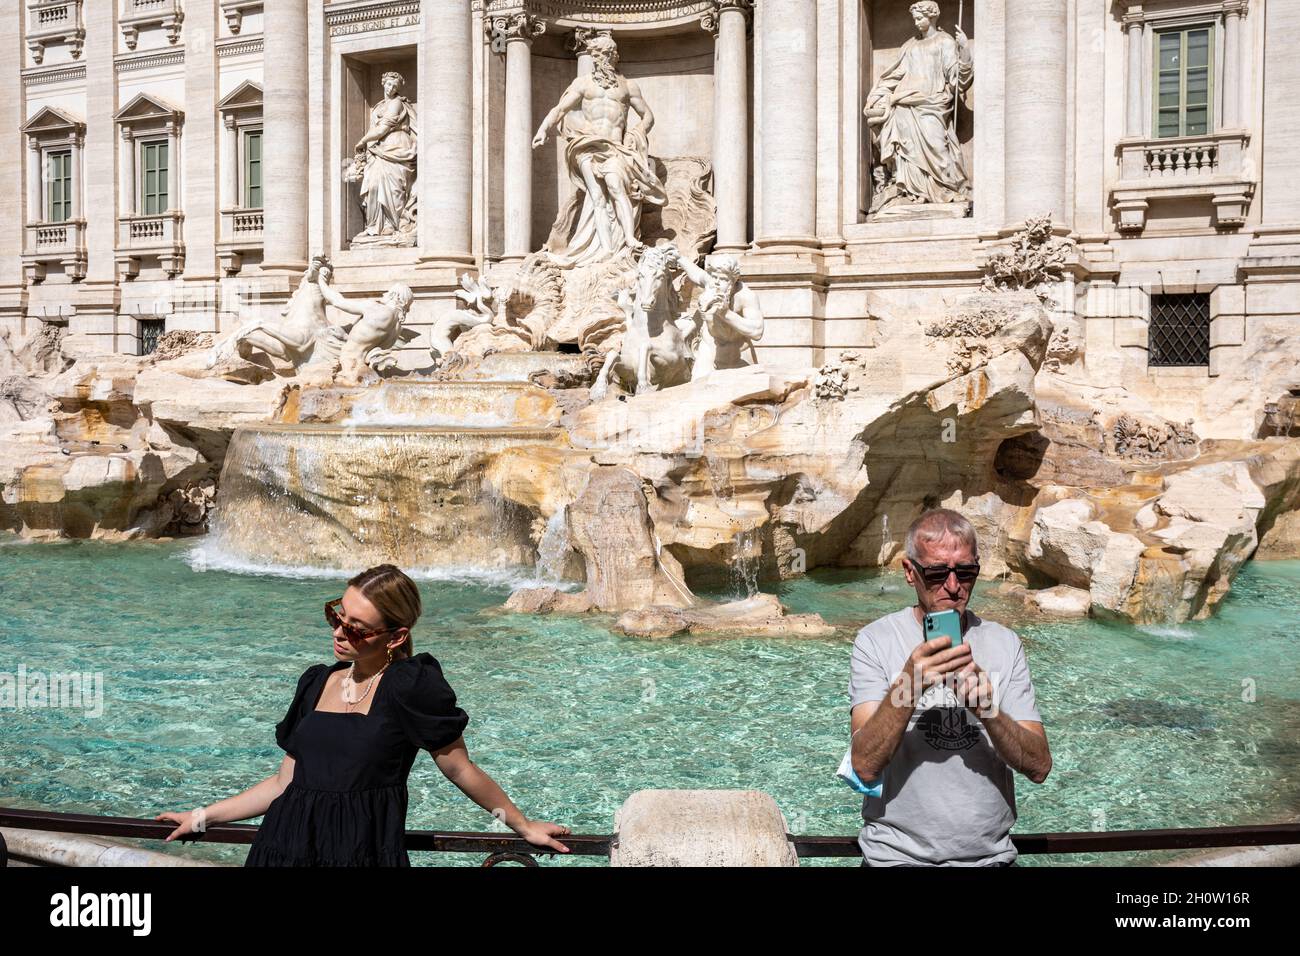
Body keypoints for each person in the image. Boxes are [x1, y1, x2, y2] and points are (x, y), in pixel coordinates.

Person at [157, 564, 570, 865]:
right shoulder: (317, 682)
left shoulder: (409, 687)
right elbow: (285, 783)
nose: (339, 632)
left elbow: (460, 770)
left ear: (397, 636)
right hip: (282, 849)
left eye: (357, 628)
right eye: (338, 617)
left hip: (361, 854)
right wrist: (201, 817)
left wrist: (521, 824)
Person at [848, 509, 1051, 866]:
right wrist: (909, 685)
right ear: (910, 572)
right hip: (896, 860)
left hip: (990, 861)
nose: (953, 586)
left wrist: (988, 710)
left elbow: (1038, 767)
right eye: (937, 573)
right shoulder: (875, 641)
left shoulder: (1005, 643)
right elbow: (864, 765)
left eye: (966, 572)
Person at [532, 34, 667, 264]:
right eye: (596, 55)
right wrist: (543, 129)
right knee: (596, 197)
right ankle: (606, 248)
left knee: (617, 188)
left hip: (614, 147)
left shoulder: (627, 86)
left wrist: (636, 134)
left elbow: (648, 116)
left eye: (604, 54)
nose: (600, 59)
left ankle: (628, 239)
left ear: (614, 56)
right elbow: (560, 109)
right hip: (586, 145)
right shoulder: (582, 83)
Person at [863, 1, 972, 211]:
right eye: (914, 18)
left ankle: (947, 188)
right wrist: (878, 95)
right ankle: (913, 192)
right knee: (907, 150)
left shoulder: (945, 42)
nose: (916, 22)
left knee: (937, 145)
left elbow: (956, 77)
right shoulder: (909, 46)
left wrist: (964, 50)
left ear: (932, 17)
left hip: (933, 104)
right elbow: (895, 75)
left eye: (920, 17)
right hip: (905, 103)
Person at [351, 71, 418, 244]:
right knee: (373, 184)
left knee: (394, 188)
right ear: (383, 83)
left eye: (395, 86)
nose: (391, 88)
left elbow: (382, 130)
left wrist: (362, 141)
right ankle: (374, 226)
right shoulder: (379, 105)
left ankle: (391, 225)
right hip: (379, 149)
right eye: (389, 84)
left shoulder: (397, 103)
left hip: (396, 146)